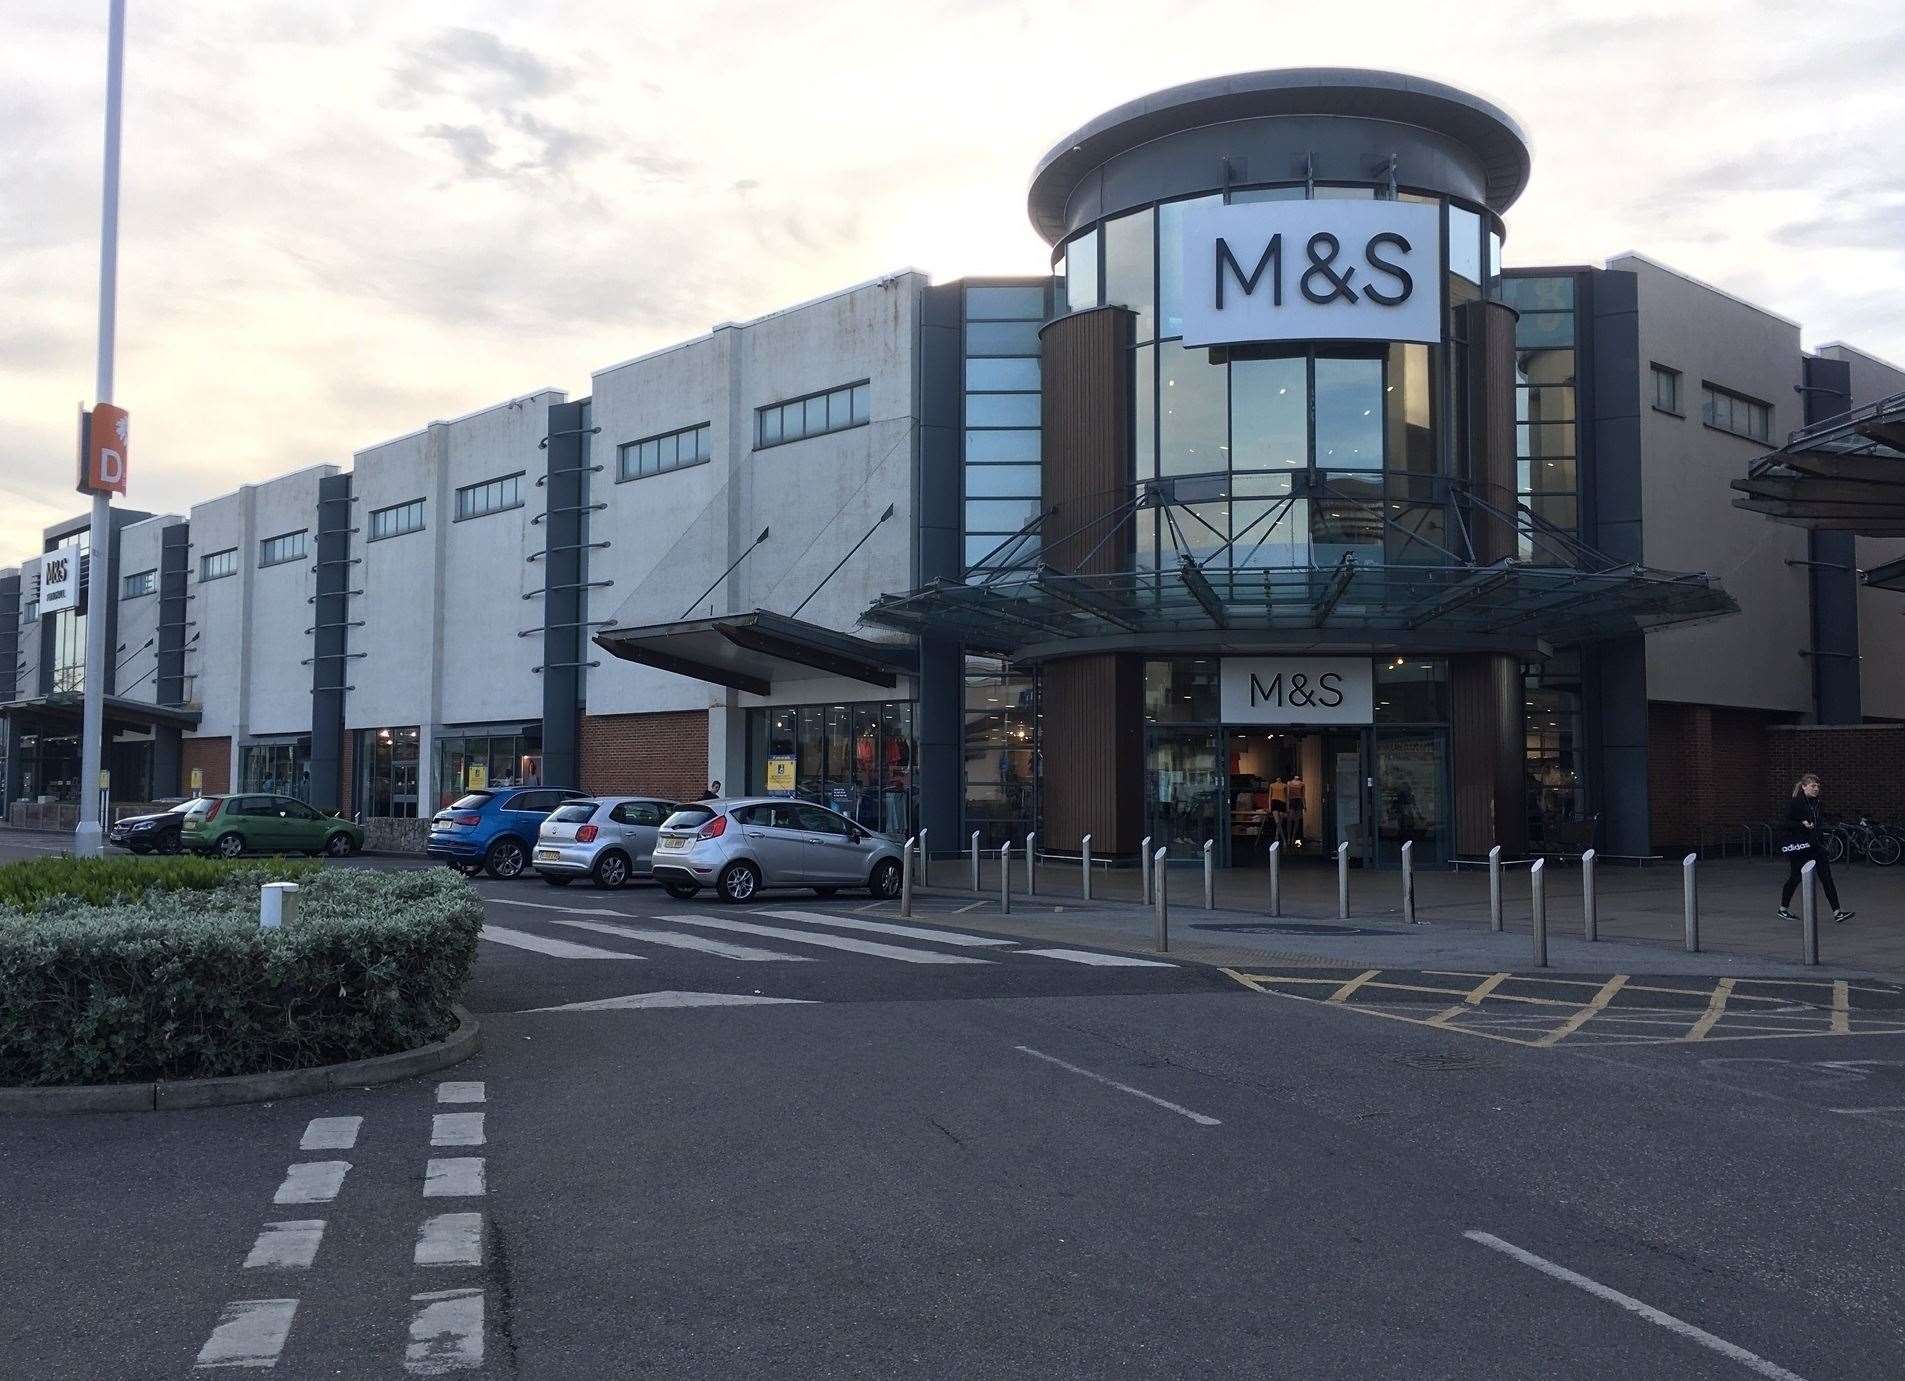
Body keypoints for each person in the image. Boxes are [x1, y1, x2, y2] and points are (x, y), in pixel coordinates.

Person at [1779, 773, 1854, 923]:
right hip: (1800, 847)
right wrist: (1802, 824)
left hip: (1815, 846)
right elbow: (1784, 823)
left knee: (1826, 877)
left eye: (1818, 786)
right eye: (1813, 786)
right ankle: (1783, 909)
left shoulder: (1817, 803)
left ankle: (1837, 912)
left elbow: (1818, 820)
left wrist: (1821, 827)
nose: (1816, 788)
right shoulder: (1795, 803)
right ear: (1804, 786)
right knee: (1795, 877)